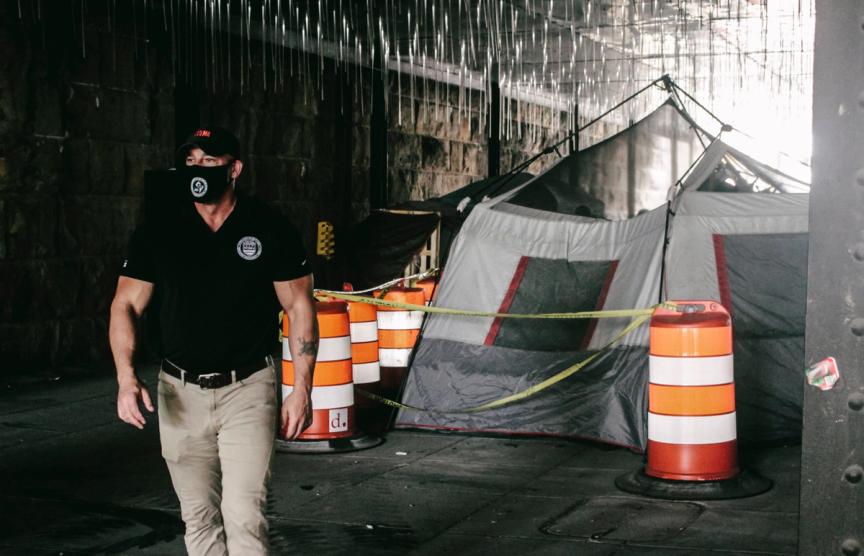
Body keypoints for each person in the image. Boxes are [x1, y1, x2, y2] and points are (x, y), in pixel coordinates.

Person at [109, 126, 318, 555]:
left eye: (209, 161)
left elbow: (299, 308)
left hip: (248, 388)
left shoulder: (268, 227)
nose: (197, 169)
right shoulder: (159, 230)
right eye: (190, 161)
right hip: (179, 392)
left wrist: (301, 389)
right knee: (199, 516)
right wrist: (125, 378)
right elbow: (124, 305)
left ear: (234, 169)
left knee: (244, 514)